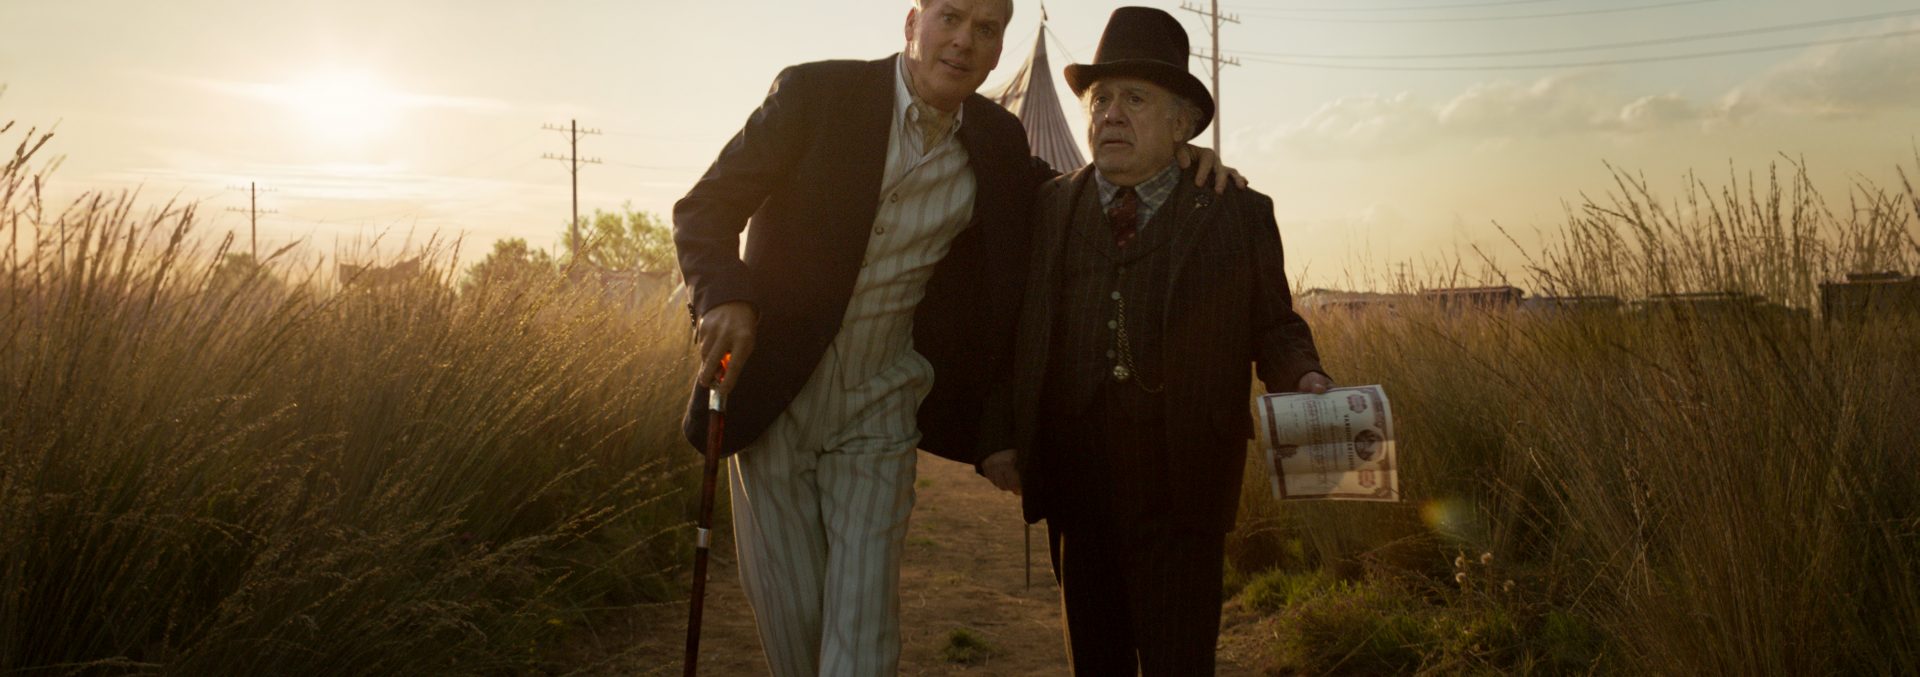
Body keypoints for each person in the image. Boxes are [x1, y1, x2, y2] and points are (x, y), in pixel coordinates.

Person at [671, 1, 1235, 673]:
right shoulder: (814, 94)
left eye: (987, 29)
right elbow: (703, 209)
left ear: (998, 52)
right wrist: (724, 294)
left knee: (862, 638)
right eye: (951, 17)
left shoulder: (996, 140)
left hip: (879, 409)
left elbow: (1072, 197)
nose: (965, 40)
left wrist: (1174, 158)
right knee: (797, 637)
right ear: (913, 23)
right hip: (774, 396)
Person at [976, 7, 1333, 674]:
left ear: (1182, 124)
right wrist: (1000, 432)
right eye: (1100, 98)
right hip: (1075, 484)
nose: (1110, 114)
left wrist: (1305, 376)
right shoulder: (1048, 205)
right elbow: (1013, 328)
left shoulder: (1237, 212)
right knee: (1096, 660)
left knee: (1180, 661)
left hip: (1185, 486)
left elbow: (1275, 325)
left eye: (1135, 99)